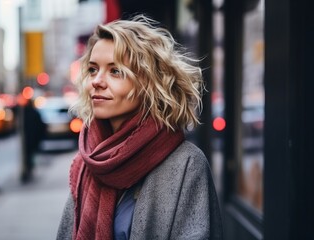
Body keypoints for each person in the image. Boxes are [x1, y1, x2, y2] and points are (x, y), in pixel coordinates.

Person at [57, 15, 223, 240]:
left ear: (148, 83)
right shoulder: (87, 163)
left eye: (115, 71)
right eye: (93, 69)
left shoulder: (186, 164)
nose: (96, 81)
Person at [21, 99, 46, 183]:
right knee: (31, 156)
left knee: (28, 156)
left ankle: (29, 169)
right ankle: (30, 168)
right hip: (33, 139)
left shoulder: (24, 114)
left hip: (27, 140)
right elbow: (41, 126)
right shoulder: (34, 113)